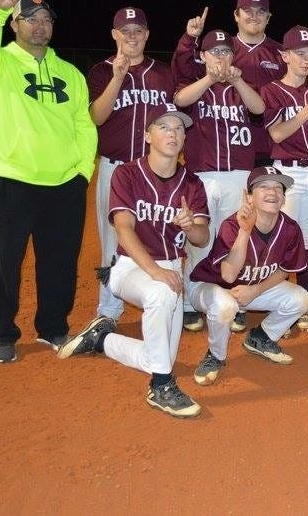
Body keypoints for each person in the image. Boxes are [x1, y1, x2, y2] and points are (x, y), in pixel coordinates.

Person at [0, 0, 97, 364]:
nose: (40, 25)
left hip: (64, 184)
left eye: (46, 19)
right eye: (31, 18)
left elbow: (83, 124)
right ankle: (3, 333)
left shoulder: (70, 74)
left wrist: (81, 173)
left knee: (60, 260)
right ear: (15, 23)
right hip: (12, 178)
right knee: (2, 260)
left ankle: (54, 327)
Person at [58, 105, 210, 419]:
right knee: (160, 294)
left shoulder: (192, 183)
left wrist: (189, 225)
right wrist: (155, 272)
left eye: (179, 129)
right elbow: (124, 230)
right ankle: (162, 387)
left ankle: (103, 340)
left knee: (161, 354)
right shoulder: (127, 174)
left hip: (170, 267)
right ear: (147, 135)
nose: (173, 133)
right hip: (130, 267)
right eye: (164, 127)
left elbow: (201, 238)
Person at [172, 23, 265, 334]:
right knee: (198, 239)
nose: (222, 57)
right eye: (216, 52)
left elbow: (259, 107)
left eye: (227, 51)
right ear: (204, 55)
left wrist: (237, 82)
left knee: (234, 240)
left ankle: (232, 300)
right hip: (203, 175)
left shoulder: (241, 84)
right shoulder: (198, 85)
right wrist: (209, 77)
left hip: (238, 174)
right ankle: (188, 302)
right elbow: (181, 101)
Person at [87, 7, 174, 326]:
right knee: (113, 241)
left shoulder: (163, 73)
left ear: (147, 34)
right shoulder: (101, 71)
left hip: (156, 172)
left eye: (138, 30)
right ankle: (108, 311)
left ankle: (167, 299)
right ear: (115, 35)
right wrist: (118, 77)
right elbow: (97, 116)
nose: (132, 36)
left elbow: (172, 123)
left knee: (158, 236)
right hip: (116, 168)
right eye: (126, 30)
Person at [187, 166, 308, 383]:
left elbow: (285, 270)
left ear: (283, 198)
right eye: (263, 187)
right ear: (250, 197)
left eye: (278, 188)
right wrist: (245, 230)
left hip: (252, 288)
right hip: (211, 288)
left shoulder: (290, 229)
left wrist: (256, 290)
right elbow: (228, 275)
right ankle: (215, 356)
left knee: (301, 299)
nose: (272, 193)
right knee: (225, 307)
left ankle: (260, 337)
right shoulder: (232, 225)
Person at [261, 25, 308, 302]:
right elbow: (277, 133)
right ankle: (277, 295)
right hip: (288, 172)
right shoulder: (272, 90)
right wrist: (307, 110)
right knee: (285, 235)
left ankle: (304, 294)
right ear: (285, 56)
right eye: (299, 53)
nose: (306, 59)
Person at [230, 0, 287, 168]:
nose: (254, 16)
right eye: (248, 11)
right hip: (229, 147)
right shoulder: (221, 50)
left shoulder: (283, 54)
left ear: (268, 17)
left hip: (271, 148)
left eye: (261, 12)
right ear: (236, 15)